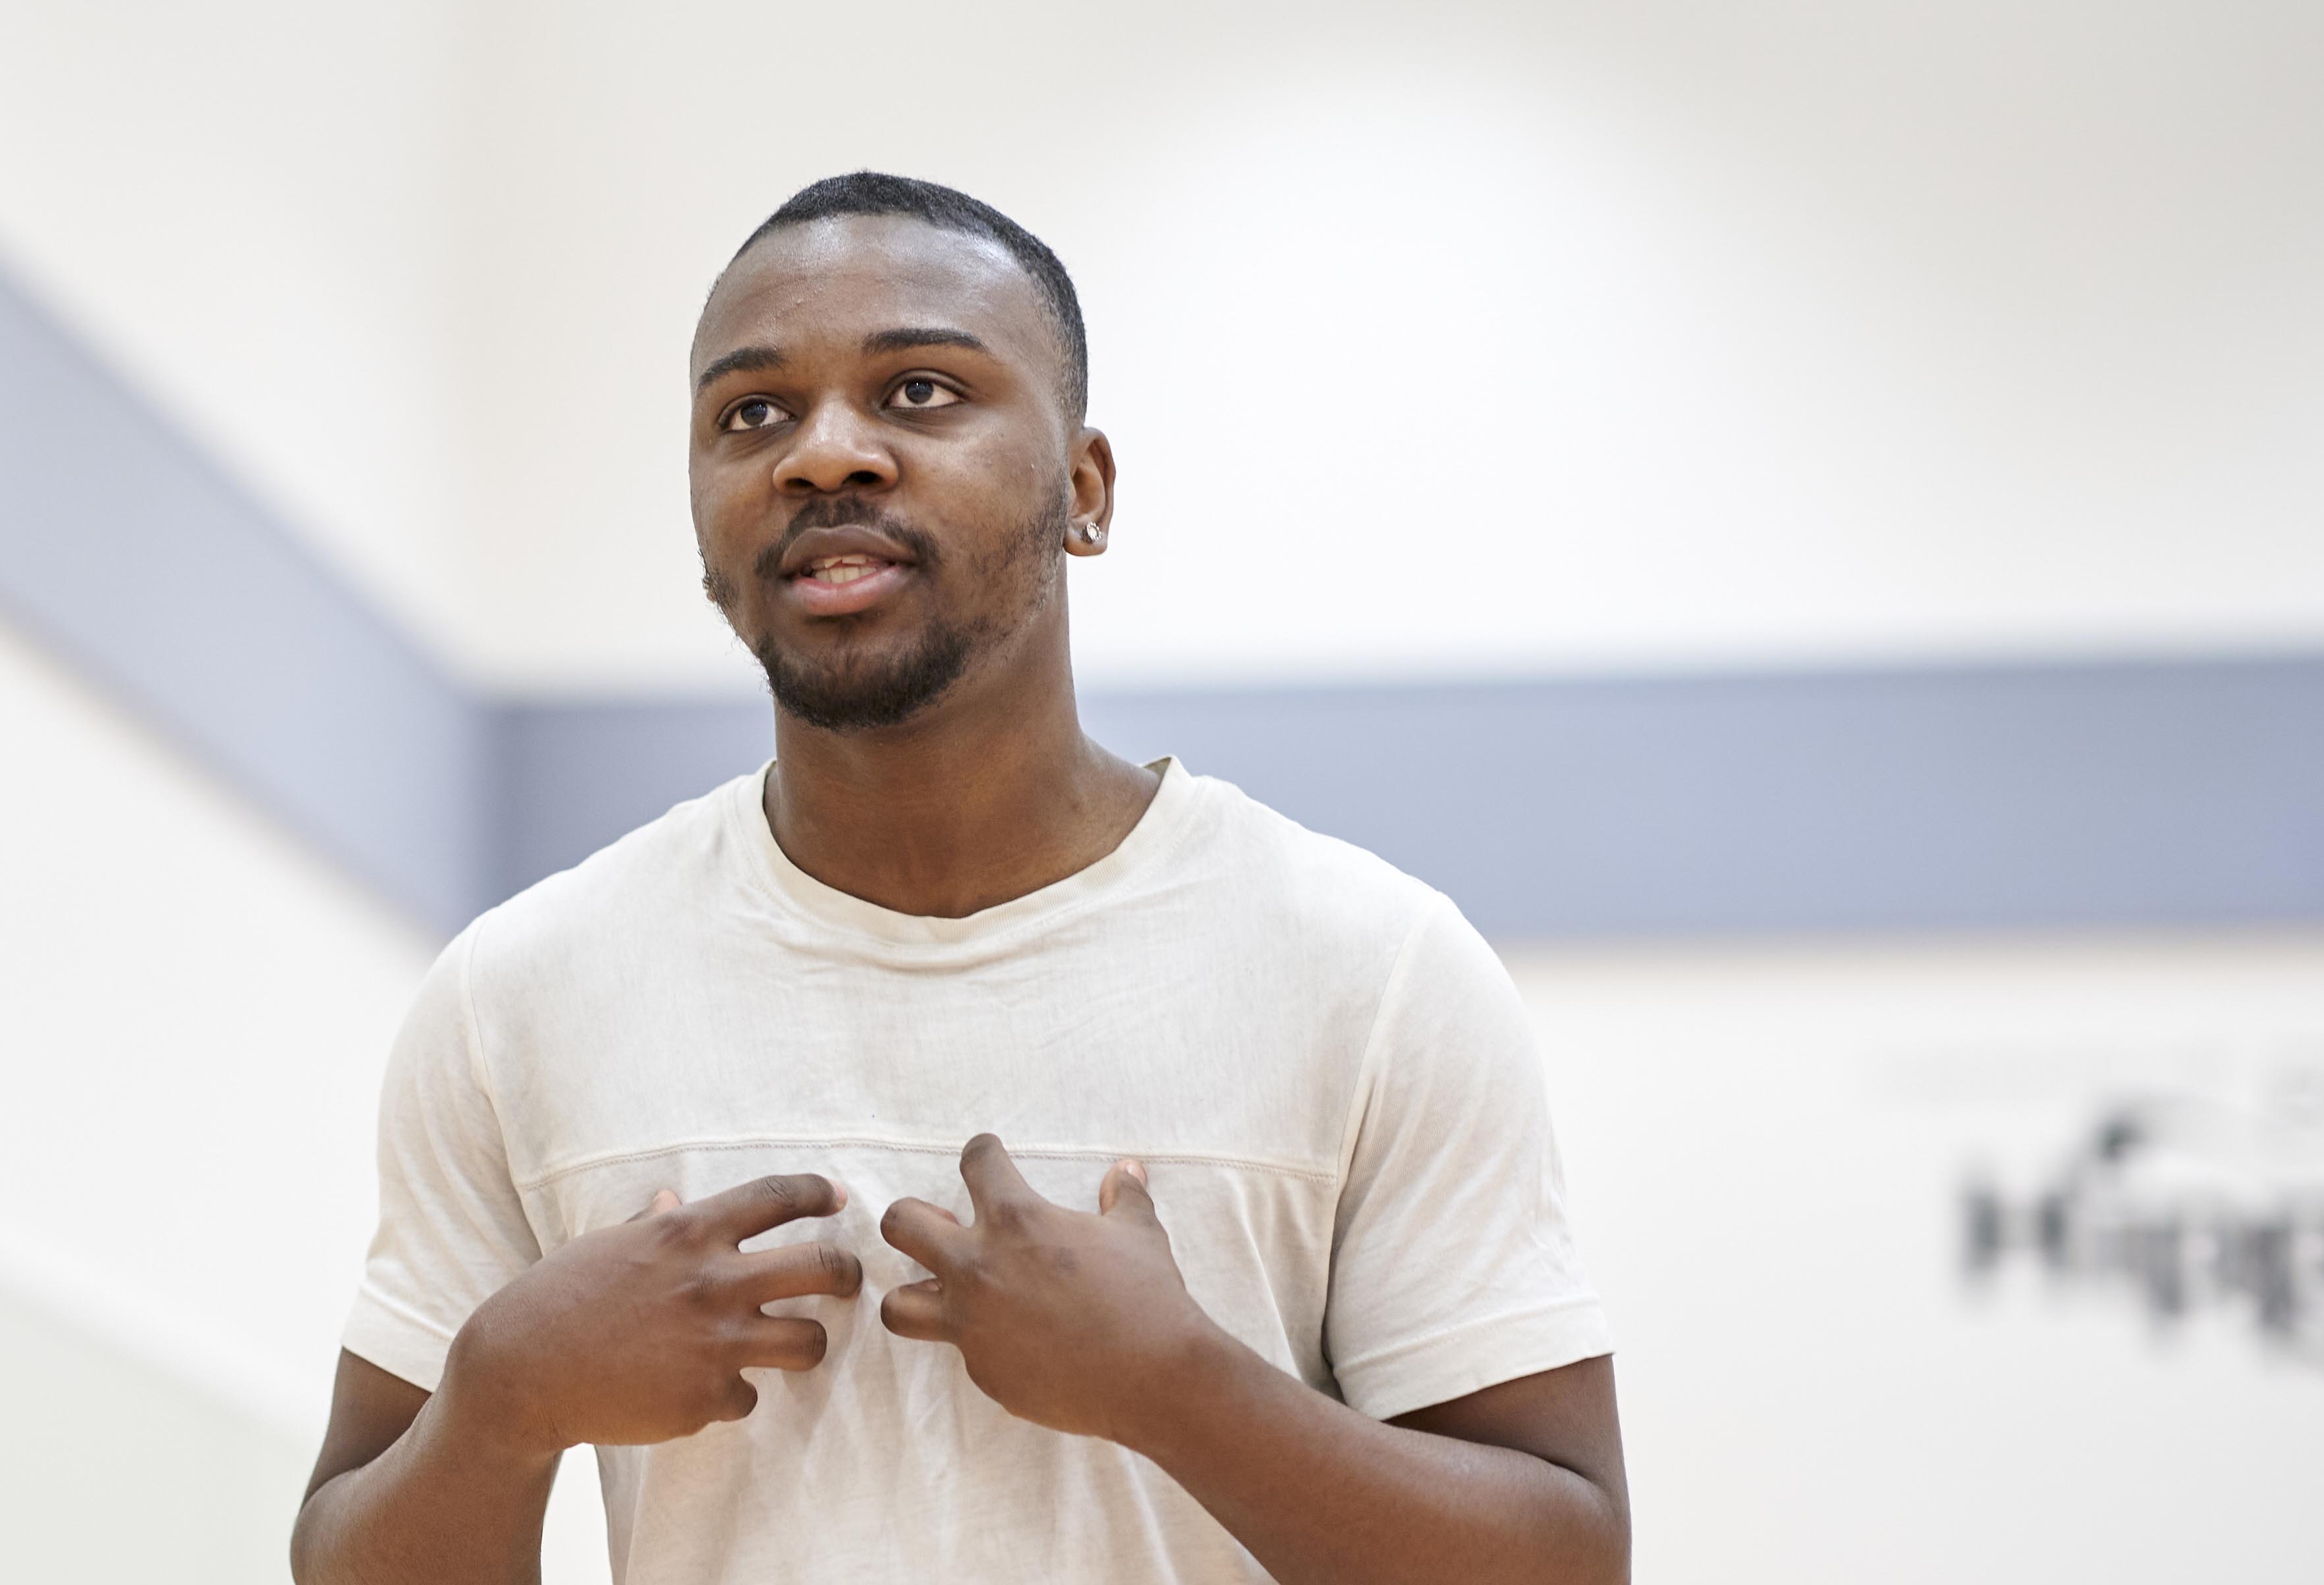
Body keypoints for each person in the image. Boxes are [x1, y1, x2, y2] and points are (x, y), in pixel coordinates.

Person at [287, 172, 1626, 1584]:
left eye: (920, 392)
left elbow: (1569, 1558)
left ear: (1084, 491)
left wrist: (1180, 1387)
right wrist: (499, 1408)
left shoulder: (1374, 970)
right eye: (753, 415)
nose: (823, 455)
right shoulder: (520, 994)